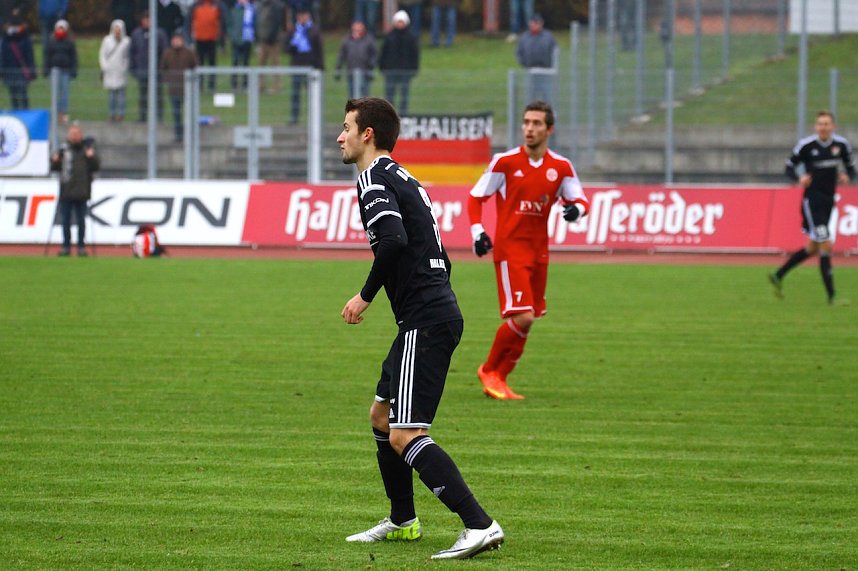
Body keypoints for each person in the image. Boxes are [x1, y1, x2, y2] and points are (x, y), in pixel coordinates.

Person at [338, 96, 505, 560]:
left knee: (404, 433)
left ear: (367, 133)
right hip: (429, 313)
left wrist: (365, 296)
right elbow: (440, 256)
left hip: (424, 321)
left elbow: (391, 241)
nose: (340, 136)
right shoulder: (406, 178)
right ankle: (403, 519)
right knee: (381, 416)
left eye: (346, 127)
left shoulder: (373, 179)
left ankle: (479, 524)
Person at [468, 101, 589, 400]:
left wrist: (576, 211)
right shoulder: (505, 162)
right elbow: (475, 198)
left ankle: (501, 378)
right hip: (511, 251)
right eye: (526, 122)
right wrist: (478, 231)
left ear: (549, 129)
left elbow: (581, 200)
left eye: (536, 123)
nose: (529, 128)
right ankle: (489, 369)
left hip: (539, 253)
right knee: (523, 316)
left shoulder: (560, 167)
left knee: (530, 318)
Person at [769, 110, 856, 305]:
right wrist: (798, 178)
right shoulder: (807, 146)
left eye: (826, 124)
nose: (823, 127)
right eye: (820, 124)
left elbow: (851, 168)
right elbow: (788, 166)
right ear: (816, 127)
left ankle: (778, 275)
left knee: (812, 247)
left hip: (829, 200)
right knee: (826, 243)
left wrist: (847, 176)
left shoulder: (841, 145)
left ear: (833, 126)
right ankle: (832, 297)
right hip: (812, 200)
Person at [51, 123, 100, 257]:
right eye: (72, 134)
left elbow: (96, 166)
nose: (74, 137)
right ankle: (66, 246)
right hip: (66, 191)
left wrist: (91, 157)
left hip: (82, 191)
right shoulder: (63, 150)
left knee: (81, 221)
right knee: (65, 221)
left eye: (76, 134)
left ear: (80, 135)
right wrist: (55, 161)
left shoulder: (87, 149)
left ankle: (81, 247)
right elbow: (54, 168)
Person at [283, 6, 323, 125]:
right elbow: (285, 48)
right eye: (300, 16)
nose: (302, 18)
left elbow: (319, 49)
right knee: (295, 93)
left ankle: (314, 117)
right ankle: (294, 117)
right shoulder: (293, 30)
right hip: (297, 65)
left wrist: (320, 66)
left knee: (313, 93)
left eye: (304, 15)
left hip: (310, 66)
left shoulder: (314, 30)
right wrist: (292, 47)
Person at [130, 10, 168, 123]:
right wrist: (133, 68)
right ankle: (142, 117)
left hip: (156, 72)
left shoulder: (160, 33)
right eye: (145, 19)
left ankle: (159, 117)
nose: (147, 22)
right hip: (142, 70)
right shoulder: (136, 34)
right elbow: (132, 52)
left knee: (158, 96)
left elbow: (164, 52)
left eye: (149, 19)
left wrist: (162, 69)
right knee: (143, 96)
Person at [160, 30, 197, 143]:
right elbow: (163, 68)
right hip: (174, 89)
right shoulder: (167, 54)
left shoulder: (189, 53)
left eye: (178, 39)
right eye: (174, 39)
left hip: (187, 89)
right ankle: (178, 135)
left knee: (189, 113)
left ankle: (189, 134)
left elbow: (195, 67)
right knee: (176, 114)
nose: (176, 42)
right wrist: (167, 80)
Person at [379, 10, 418, 115]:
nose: (400, 24)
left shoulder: (411, 37)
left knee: (404, 94)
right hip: (391, 70)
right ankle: (389, 115)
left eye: (402, 22)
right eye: (398, 22)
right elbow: (383, 52)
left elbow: (415, 54)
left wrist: (413, 68)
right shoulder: (389, 36)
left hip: (406, 70)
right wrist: (382, 67)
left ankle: (403, 115)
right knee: (389, 94)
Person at [516, 13, 556, 105]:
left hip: (546, 72)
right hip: (530, 71)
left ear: (541, 24)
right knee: (530, 97)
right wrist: (524, 63)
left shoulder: (548, 37)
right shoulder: (524, 37)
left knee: (548, 96)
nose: (534, 25)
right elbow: (519, 53)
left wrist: (551, 65)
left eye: (536, 23)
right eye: (532, 23)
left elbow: (555, 52)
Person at [43, 19, 77, 125]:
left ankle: (64, 114)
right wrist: (46, 70)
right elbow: (47, 57)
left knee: (64, 94)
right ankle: (56, 115)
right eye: (59, 28)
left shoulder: (70, 43)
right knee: (55, 94)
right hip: (54, 71)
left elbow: (74, 57)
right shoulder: (51, 42)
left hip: (65, 71)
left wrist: (73, 70)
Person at [0, 8, 35, 110]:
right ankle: (16, 113)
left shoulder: (25, 39)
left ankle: (25, 112)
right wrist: (2, 72)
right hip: (10, 71)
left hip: (21, 71)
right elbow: (2, 57)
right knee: (13, 95)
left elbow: (29, 57)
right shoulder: (5, 40)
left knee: (23, 94)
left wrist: (31, 73)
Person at [99, 19, 131, 123]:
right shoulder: (107, 40)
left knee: (121, 95)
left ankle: (121, 115)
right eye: (115, 29)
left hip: (121, 71)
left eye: (119, 29)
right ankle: (111, 114)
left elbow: (127, 56)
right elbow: (102, 54)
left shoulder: (126, 41)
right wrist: (104, 66)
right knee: (112, 95)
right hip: (110, 70)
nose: (117, 31)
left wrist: (125, 67)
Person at [335, 20, 375, 99]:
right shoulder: (347, 40)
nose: (357, 31)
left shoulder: (369, 40)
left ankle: (364, 111)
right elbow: (341, 55)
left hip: (365, 72)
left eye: (359, 28)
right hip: (351, 73)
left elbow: (373, 54)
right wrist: (338, 68)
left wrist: (371, 67)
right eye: (355, 29)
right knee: (352, 97)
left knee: (365, 97)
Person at [191, 0, 223, 91]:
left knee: (212, 63)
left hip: (212, 39)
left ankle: (211, 85)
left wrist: (220, 40)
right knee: (199, 63)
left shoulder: (217, 5)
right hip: (199, 39)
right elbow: (190, 21)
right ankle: (200, 85)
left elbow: (221, 22)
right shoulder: (196, 6)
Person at [255, 0, 285, 93]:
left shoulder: (276, 6)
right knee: (261, 63)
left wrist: (270, 37)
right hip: (262, 39)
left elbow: (277, 23)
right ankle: (260, 85)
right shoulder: (260, 5)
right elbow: (258, 22)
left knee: (275, 63)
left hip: (273, 40)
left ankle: (276, 85)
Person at [227, 0, 255, 90]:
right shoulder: (234, 10)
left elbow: (255, 24)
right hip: (236, 40)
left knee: (245, 62)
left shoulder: (251, 9)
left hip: (247, 40)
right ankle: (234, 83)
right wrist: (233, 36)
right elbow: (229, 25)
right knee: (235, 62)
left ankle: (245, 84)